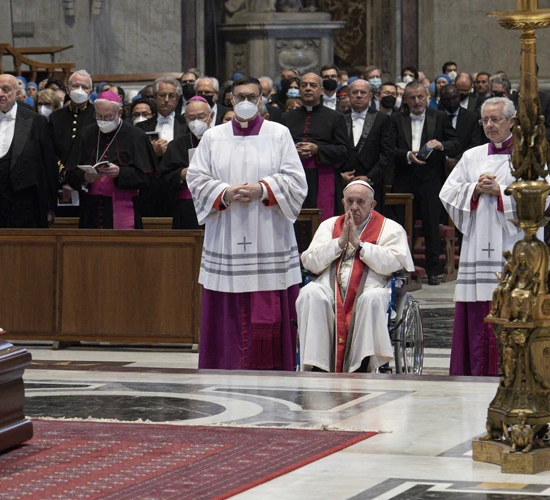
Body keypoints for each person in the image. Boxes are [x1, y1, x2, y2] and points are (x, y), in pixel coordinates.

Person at [187, 76, 308, 370]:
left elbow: (296, 181)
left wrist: (263, 189)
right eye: (240, 96)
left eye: (251, 97)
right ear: (229, 99)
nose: (245, 102)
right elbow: (196, 178)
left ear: (261, 100)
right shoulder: (213, 138)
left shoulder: (279, 134)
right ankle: (222, 365)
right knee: (225, 305)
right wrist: (224, 192)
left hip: (269, 232)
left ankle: (273, 367)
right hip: (226, 233)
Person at [440, 97, 526, 376]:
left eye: (496, 119)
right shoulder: (472, 156)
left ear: (511, 122)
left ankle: (512, 372)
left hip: (514, 245)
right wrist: (474, 190)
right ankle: (474, 369)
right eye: (485, 120)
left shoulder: (528, 155)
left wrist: (500, 193)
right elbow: (448, 192)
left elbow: (541, 196)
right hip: (478, 243)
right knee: (478, 306)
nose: (489, 125)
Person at [297, 181, 415, 372]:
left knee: (371, 299)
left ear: (372, 205)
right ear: (343, 202)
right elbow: (309, 261)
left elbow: (395, 263)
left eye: (360, 202)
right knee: (310, 293)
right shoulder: (329, 226)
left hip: (371, 289)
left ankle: (363, 365)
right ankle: (318, 365)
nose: (354, 207)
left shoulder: (390, 228)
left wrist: (360, 246)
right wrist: (339, 243)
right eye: (350, 201)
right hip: (330, 290)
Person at [0, 73, 57, 228]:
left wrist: (50, 207)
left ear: (17, 93)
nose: (0, 94)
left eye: (6, 89)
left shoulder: (36, 121)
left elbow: (48, 166)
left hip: (26, 208)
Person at [392, 80, 460, 285]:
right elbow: (388, 148)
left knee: (431, 224)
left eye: (420, 97)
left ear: (427, 97)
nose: (416, 101)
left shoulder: (438, 117)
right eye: (412, 98)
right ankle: (404, 268)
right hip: (405, 178)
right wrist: (406, 155)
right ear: (405, 100)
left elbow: (455, 143)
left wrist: (441, 144)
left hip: (431, 178)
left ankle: (434, 269)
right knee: (403, 226)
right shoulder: (395, 119)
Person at [64, 91, 154, 229]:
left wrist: (120, 173)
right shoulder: (85, 134)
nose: (103, 120)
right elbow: (70, 173)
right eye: (99, 116)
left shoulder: (136, 136)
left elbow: (148, 177)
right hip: (90, 209)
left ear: (120, 112)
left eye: (108, 117)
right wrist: (85, 177)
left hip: (124, 205)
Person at [283, 73, 352, 220]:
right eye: (304, 85)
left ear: (321, 91)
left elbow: (344, 150)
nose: (308, 89)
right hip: (293, 177)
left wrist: (317, 149)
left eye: (313, 85)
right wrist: (292, 150)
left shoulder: (335, 117)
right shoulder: (286, 118)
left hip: (322, 176)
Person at [48, 69, 97, 217]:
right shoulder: (55, 117)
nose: (80, 90)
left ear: (90, 92)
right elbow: (50, 150)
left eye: (84, 87)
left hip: (89, 184)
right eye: (75, 86)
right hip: (59, 183)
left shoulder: (98, 116)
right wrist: (64, 176)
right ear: (68, 90)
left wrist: (78, 178)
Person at [159, 96, 212, 229]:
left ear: (211, 116)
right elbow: (163, 179)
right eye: (191, 118)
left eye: (201, 117)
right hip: (187, 208)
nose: (196, 122)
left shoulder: (222, 141)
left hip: (216, 203)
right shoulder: (176, 145)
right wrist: (181, 174)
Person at [343, 79, 395, 211]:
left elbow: (387, 153)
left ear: (370, 96)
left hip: (373, 182)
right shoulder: (339, 118)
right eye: (355, 92)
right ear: (349, 95)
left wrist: (370, 177)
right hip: (345, 181)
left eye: (363, 92)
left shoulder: (383, 119)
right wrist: (340, 175)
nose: (359, 95)